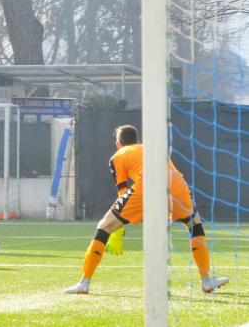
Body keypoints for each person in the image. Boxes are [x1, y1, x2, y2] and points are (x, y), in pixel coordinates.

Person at [64, 124, 229, 294]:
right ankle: (207, 281)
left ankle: (84, 282)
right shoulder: (155, 148)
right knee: (195, 225)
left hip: (146, 185)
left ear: (118, 144)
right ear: (138, 140)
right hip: (178, 185)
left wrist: (118, 229)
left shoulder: (117, 156)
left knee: (104, 227)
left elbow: (122, 191)